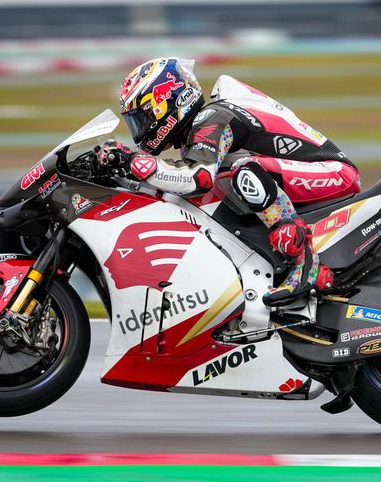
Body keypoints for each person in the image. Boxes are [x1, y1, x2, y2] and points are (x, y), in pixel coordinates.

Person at [97, 57, 360, 306]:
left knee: (245, 172)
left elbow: (198, 178)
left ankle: (306, 265)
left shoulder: (213, 118)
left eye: (143, 118)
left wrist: (134, 162)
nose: (141, 129)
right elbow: (182, 180)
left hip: (333, 172)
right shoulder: (200, 127)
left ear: (166, 103)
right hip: (303, 174)